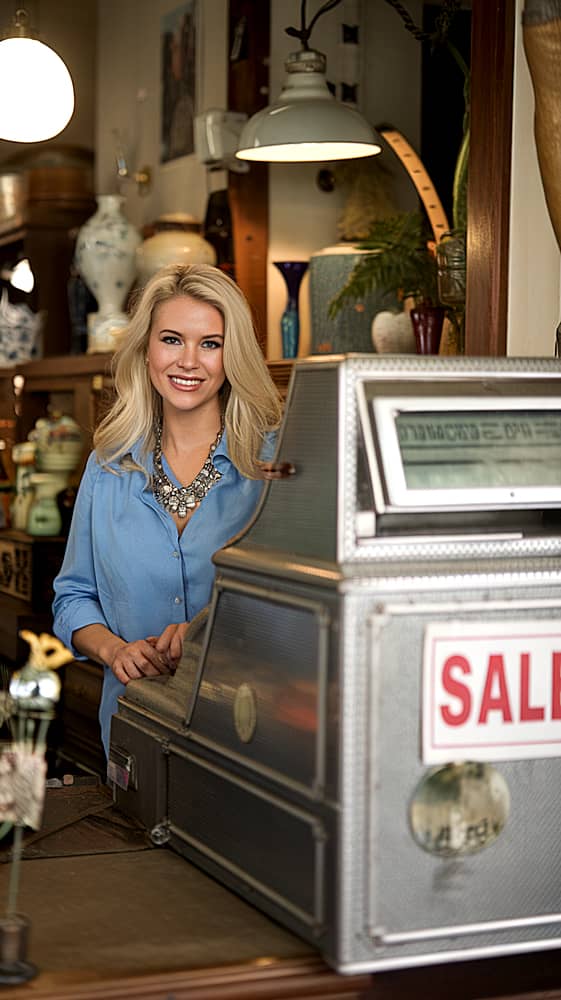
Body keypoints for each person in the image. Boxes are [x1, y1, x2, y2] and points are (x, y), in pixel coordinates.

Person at [52, 263, 283, 757]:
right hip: (132, 730)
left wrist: (208, 633)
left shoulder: (274, 466)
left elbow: (305, 611)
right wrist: (115, 650)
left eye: (211, 343)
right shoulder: (107, 466)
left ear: (232, 355)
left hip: (248, 734)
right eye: (173, 339)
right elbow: (72, 597)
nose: (189, 361)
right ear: (147, 349)